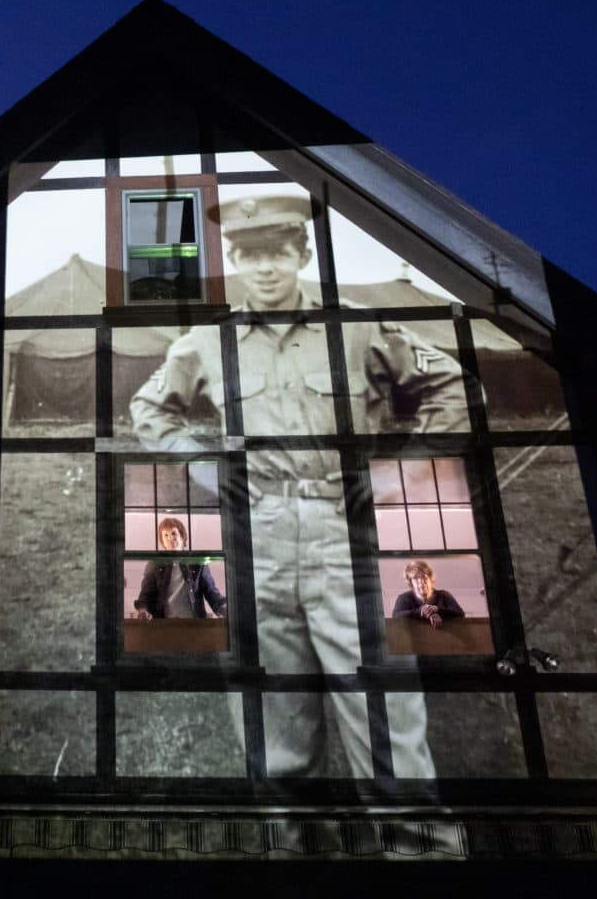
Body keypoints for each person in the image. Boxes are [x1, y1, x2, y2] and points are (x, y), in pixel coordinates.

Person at [129, 193, 467, 780]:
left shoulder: (359, 327)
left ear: (301, 253)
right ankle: (291, 856)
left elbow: (457, 390)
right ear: (233, 258)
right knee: (272, 716)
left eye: (278, 252)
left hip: (345, 534)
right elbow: (151, 409)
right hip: (258, 535)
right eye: (249, 254)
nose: (264, 267)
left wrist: (399, 471)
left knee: (383, 709)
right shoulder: (208, 343)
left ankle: (421, 858)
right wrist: (210, 468)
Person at [133, 516, 228, 620]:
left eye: (173, 533)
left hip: (194, 625)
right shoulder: (155, 564)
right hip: (163, 625)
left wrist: (224, 610)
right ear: (163, 541)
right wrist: (143, 610)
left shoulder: (197, 562)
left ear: (182, 536)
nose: (170, 538)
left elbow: (211, 592)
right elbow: (146, 594)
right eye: (166, 535)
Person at [391, 559, 465, 628]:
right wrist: (420, 612)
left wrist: (438, 610)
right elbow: (396, 617)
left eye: (424, 577)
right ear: (411, 583)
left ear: (431, 579)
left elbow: (460, 614)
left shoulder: (444, 595)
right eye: (416, 579)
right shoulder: (404, 598)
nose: (421, 583)